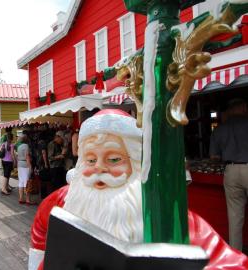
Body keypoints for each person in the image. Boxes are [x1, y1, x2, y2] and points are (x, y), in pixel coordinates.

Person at [28, 109, 248, 270]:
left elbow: (229, 263)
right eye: (91, 159)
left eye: (114, 159)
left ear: (135, 164)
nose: (99, 168)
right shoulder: (65, 201)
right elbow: (40, 244)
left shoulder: (165, 214)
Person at [210, 98, 248, 251]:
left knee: (234, 218)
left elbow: (213, 158)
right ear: (242, 107)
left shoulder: (219, 129)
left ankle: (236, 254)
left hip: (231, 171)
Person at [17, 134, 34, 204]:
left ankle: (21, 198)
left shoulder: (19, 146)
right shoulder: (26, 146)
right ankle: (27, 199)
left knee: (21, 182)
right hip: (25, 164)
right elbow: (27, 156)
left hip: (20, 164)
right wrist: (30, 166)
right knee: (26, 182)